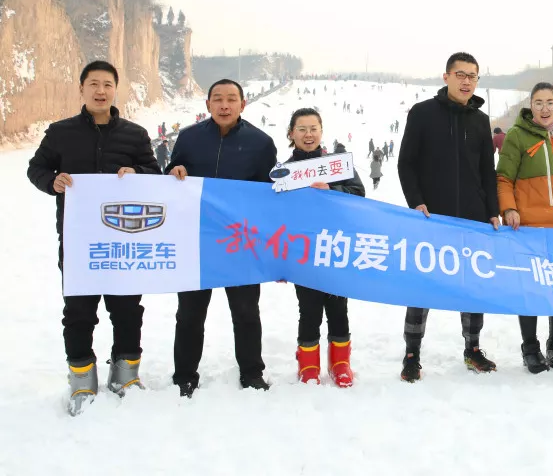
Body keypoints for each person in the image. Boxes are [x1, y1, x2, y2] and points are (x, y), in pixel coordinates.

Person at [27, 60, 161, 415]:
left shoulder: (135, 134)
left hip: (125, 243)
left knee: (129, 311)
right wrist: (51, 181)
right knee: (79, 314)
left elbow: (154, 173)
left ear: (116, 89)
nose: (100, 91)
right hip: (78, 240)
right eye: (93, 84)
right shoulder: (60, 132)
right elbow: (36, 168)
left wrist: (137, 172)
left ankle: (126, 375)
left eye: (107, 85)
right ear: (82, 89)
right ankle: (82, 383)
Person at [166, 79, 278, 396]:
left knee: (245, 312)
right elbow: (172, 173)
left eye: (231, 99)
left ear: (243, 104)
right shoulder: (188, 137)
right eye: (218, 99)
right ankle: (185, 375)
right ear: (208, 105)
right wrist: (173, 170)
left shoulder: (261, 142)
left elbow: (270, 194)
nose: (224, 105)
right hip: (197, 240)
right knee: (189, 313)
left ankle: (252, 373)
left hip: (240, 242)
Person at [398, 52, 501, 381]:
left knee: (472, 286)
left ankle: (472, 348)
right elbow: (406, 163)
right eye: (461, 74)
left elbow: (487, 170)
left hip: (472, 217)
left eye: (473, 75)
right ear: (446, 77)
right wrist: (416, 202)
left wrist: (492, 210)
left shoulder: (480, 120)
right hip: (431, 216)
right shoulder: (423, 113)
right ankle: (412, 353)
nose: (467, 80)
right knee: (422, 286)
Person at [497, 83, 553, 373]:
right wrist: (509, 208)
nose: (545, 108)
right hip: (531, 228)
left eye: (550, 102)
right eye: (538, 103)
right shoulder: (517, 136)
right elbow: (503, 179)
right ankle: (530, 348)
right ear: (531, 106)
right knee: (532, 289)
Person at [284, 108, 366, 387]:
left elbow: (359, 194)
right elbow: (273, 213)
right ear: (291, 133)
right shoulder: (283, 170)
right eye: (302, 129)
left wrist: (332, 193)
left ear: (322, 131)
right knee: (308, 309)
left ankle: (340, 362)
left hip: (335, 247)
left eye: (313, 128)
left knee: (337, 307)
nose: (308, 135)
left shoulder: (337, 165)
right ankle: (308, 364)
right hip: (302, 250)